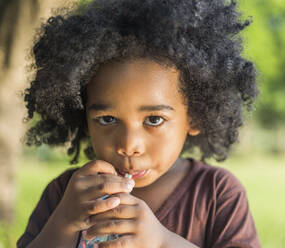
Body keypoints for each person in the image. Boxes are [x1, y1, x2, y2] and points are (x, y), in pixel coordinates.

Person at [17, 0, 261, 247]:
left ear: (195, 116)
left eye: (154, 120)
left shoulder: (217, 193)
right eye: (108, 119)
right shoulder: (66, 194)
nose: (128, 144)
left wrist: (163, 242)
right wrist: (64, 221)